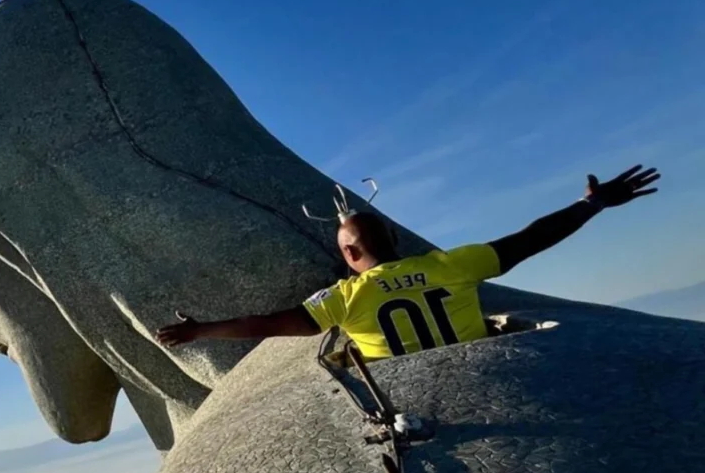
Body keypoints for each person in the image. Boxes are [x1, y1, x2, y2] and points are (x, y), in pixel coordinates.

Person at [155, 166, 661, 360]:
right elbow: (532, 238)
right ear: (394, 237)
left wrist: (200, 332)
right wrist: (591, 204)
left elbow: (265, 323)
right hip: (481, 369)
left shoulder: (346, 298)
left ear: (348, 255)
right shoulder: (453, 265)